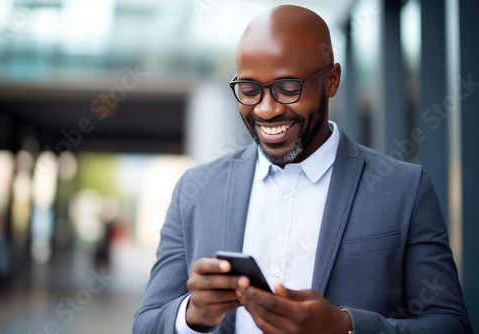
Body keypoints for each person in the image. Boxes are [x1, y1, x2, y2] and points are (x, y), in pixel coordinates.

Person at [133, 5, 472, 333]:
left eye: (288, 88)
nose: (267, 110)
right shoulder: (196, 190)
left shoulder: (404, 189)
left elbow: (450, 323)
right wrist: (193, 314)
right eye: (250, 90)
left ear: (332, 81)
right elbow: (146, 324)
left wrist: (345, 328)